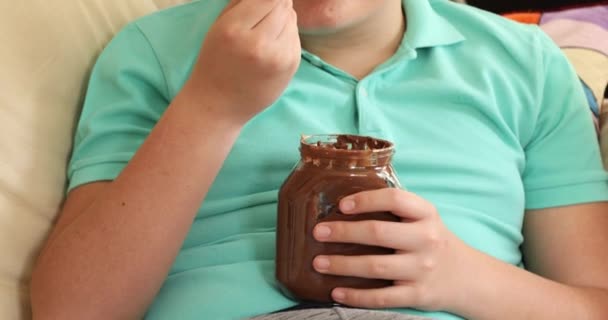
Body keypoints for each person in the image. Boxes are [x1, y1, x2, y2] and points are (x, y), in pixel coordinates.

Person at [29, 0, 608, 319]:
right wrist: (211, 107)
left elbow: (592, 303)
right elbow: (73, 309)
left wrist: (463, 278)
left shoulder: (524, 62)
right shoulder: (155, 52)